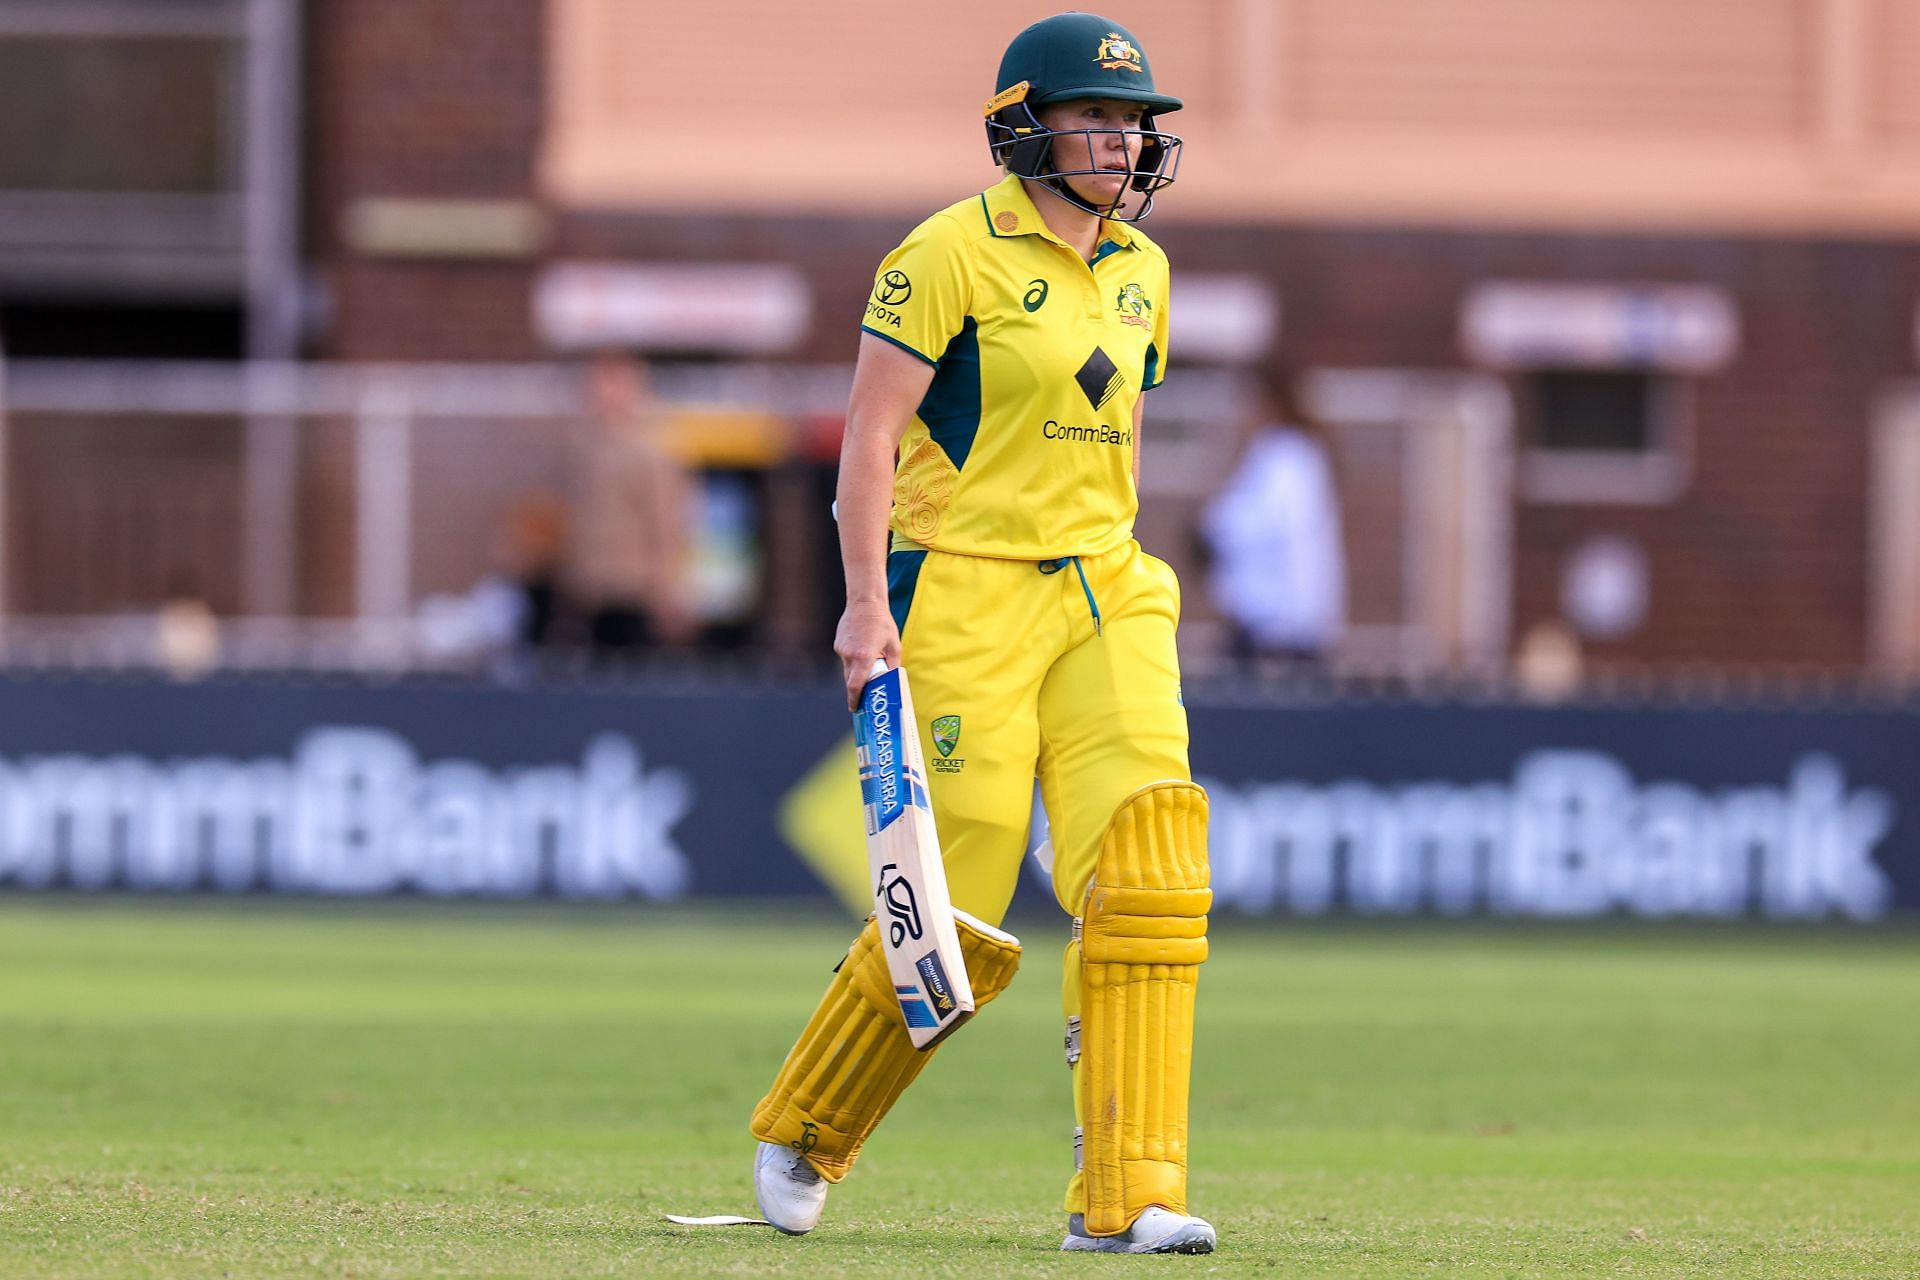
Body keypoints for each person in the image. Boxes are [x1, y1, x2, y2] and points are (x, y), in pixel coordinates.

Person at [747, 14, 1214, 1254]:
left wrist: (1108, 550)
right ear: (1028, 127)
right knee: (956, 904)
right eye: (1097, 119)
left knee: (1152, 865)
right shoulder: (947, 252)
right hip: (962, 587)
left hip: (1108, 585)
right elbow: (865, 437)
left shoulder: (1143, 271)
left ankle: (1128, 1194)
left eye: (1135, 124)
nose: (1122, 142)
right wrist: (861, 608)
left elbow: (1115, 441)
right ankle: (807, 1124)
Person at [1199, 367, 1347, 665]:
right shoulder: (1283, 453)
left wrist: (1209, 528)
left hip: (1279, 621)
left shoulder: (1287, 457)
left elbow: (1260, 524)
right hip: (1278, 617)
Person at [564, 352, 694, 661]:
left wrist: (666, 592)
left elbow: (666, 525)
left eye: (614, 384)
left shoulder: (651, 451)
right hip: (594, 591)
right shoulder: (587, 449)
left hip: (634, 593)